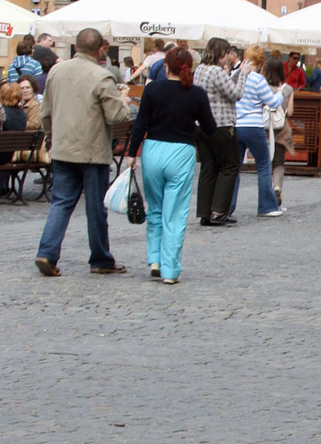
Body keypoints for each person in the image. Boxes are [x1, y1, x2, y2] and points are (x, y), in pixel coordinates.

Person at [34, 27, 131, 277]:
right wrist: (124, 103)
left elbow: (45, 112)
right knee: (95, 208)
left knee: (61, 203)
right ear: (100, 50)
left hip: (63, 148)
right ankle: (100, 258)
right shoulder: (101, 76)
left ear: (76, 47)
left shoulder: (56, 71)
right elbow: (116, 116)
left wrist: (50, 138)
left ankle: (47, 252)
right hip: (92, 151)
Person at [126, 47, 216, 283]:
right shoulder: (196, 93)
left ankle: (154, 259)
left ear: (166, 66)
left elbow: (140, 122)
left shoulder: (153, 89)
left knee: (155, 207)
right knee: (174, 213)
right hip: (181, 152)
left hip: (152, 150)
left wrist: (130, 153)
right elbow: (210, 128)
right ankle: (170, 269)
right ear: (190, 68)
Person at [194, 38, 247, 226]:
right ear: (221, 53)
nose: (228, 57)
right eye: (226, 53)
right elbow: (235, 94)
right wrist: (243, 74)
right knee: (229, 166)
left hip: (201, 125)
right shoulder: (216, 71)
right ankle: (218, 211)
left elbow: (223, 88)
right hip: (221, 124)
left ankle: (204, 212)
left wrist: (234, 74)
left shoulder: (200, 69)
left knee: (208, 167)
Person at [232, 45, 285, 217]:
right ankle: (266, 206)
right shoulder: (257, 79)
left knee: (234, 168)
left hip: (236, 125)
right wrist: (281, 94)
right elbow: (272, 102)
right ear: (262, 62)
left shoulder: (235, 75)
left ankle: (227, 206)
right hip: (253, 125)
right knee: (263, 165)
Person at [263, 55, 296, 207]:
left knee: (265, 162)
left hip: (264, 128)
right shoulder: (288, 89)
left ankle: (267, 192)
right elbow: (289, 112)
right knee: (279, 161)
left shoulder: (262, 86)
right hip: (281, 129)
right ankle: (278, 187)